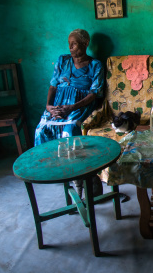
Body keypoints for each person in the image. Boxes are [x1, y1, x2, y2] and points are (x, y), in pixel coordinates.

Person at [34, 29, 105, 199]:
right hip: (57, 103)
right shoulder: (63, 60)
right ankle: (53, 170)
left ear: (85, 43)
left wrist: (71, 108)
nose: (71, 47)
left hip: (80, 104)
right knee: (41, 129)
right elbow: (53, 86)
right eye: (69, 43)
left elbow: (94, 94)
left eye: (74, 43)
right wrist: (49, 106)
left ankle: (75, 173)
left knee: (70, 130)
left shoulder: (95, 65)